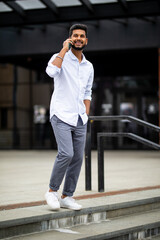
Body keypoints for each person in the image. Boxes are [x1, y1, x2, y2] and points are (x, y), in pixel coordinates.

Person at [45, 24, 94, 210]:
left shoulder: (89, 66)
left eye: (82, 36)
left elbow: (88, 92)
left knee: (78, 158)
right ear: (70, 38)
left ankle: (67, 196)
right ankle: (51, 191)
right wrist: (63, 50)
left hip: (80, 118)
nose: (79, 38)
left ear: (86, 40)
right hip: (61, 114)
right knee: (66, 153)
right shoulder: (61, 57)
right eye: (75, 35)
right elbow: (50, 72)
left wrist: (86, 113)